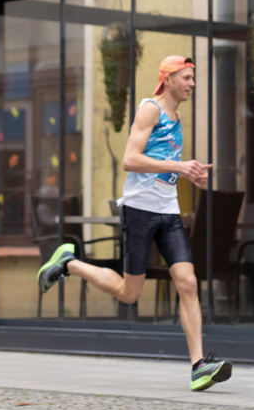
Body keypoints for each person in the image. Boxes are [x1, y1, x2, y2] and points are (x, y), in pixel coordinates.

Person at [37, 55, 233, 392]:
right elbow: (130, 160)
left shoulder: (176, 115)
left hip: (167, 210)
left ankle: (198, 366)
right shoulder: (150, 110)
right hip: (140, 210)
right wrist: (179, 165)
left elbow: (164, 162)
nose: (192, 83)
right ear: (168, 79)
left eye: (193, 78)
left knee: (187, 282)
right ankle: (69, 264)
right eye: (186, 77)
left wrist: (187, 173)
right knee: (130, 294)